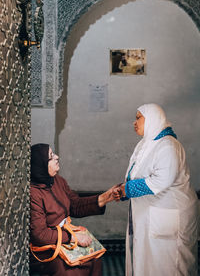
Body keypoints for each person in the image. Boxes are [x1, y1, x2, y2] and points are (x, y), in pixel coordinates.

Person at [113, 103, 199, 276]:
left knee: (168, 265)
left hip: (168, 215)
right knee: (149, 263)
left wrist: (126, 190)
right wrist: (122, 190)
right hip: (152, 214)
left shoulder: (168, 146)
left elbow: (162, 179)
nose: (134, 122)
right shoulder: (147, 144)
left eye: (138, 118)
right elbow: (135, 175)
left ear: (152, 119)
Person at [30, 143, 116, 276]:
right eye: (51, 156)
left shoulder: (58, 181)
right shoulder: (34, 193)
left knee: (95, 256)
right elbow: (40, 235)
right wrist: (72, 237)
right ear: (40, 164)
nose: (57, 157)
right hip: (46, 248)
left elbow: (74, 205)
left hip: (65, 237)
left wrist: (104, 198)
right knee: (70, 270)